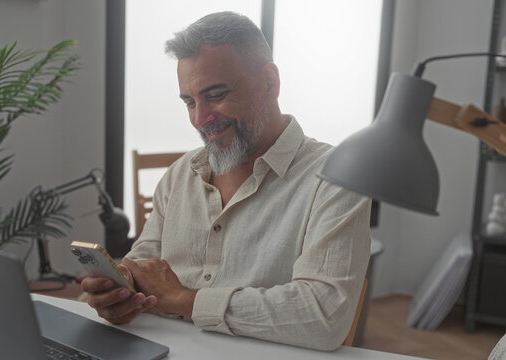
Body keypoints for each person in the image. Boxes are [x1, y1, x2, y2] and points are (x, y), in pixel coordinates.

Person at [82, 11, 371, 351]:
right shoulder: (180, 175)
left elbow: (323, 316)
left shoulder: (336, 179)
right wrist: (120, 291)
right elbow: (144, 265)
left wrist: (185, 299)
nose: (200, 119)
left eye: (215, 95)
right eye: (189, 102)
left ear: (270, 83)